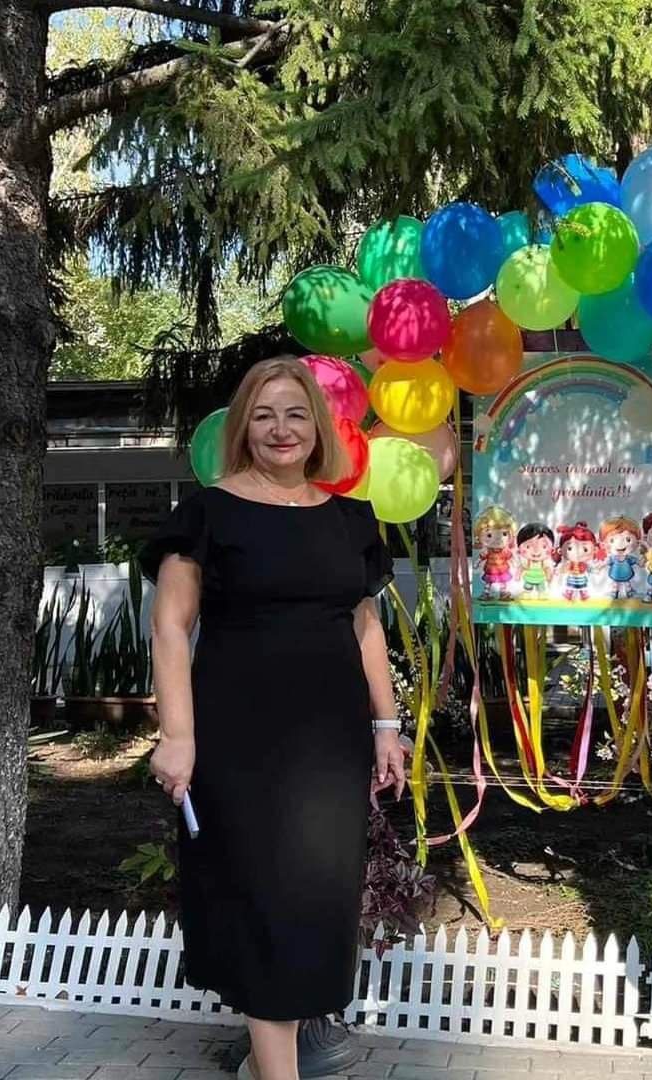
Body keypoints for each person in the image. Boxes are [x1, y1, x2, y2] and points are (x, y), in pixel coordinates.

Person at [140, 357, 407, 1080]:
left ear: (317, 427)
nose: (281, 429)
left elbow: (366, 628)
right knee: (262, 898)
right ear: (243, 428)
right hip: (237, 739)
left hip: (330, 744)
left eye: (295, 414)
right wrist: (177, 736)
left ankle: (266, 1066)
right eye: (263, 415)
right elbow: (171, 627)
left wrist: (387, 727)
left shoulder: (350, 519)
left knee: (314, 900)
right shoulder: (206, 514)